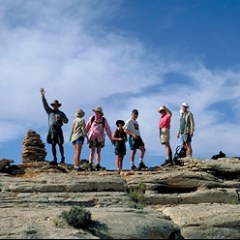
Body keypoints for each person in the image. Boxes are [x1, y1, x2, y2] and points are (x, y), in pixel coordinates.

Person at [40, 88, 69, 165]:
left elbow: (67, 121)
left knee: (60, 144)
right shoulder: (50, 111)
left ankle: (62, 158)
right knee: (53, 144)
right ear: (53, 106)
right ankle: (55, 159)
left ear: (58, 106)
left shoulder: (61, 113)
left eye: (56, 105)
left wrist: (61, 119)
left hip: (59, 129)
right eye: (54, 105)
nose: (55, 106)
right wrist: (43, 96)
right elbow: (45, 104)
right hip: (52, 130)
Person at [85, 106, 113, 171]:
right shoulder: (92, 118)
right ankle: (90, 165)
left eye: (97, 112)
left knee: (98, 151)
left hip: (100, 137)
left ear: (100, 113)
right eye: (95, 112)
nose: (96, 113)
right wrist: (84, 135)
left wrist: (111, 138)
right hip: (92, 137)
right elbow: (87, 127)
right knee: (92, 151)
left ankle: (97, 164)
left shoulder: (103, 120)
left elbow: (108, 129)